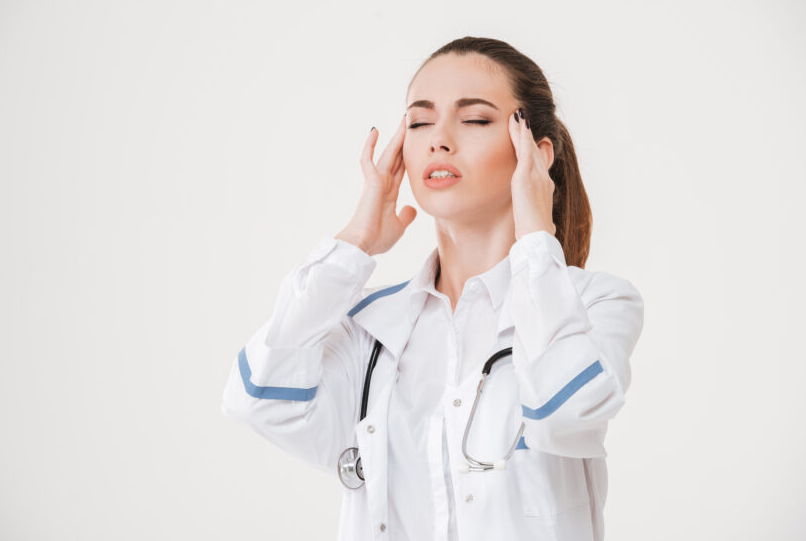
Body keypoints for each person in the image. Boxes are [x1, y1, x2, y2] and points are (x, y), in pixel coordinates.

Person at [221, 36, 645, 541]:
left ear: (536, 153)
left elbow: (563, 413)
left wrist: (536, 240)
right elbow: (261, 399)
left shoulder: (594, 303)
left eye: (475, 120)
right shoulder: (371, 328)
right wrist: (356, 243)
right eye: (420, 122)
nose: (438, 140)